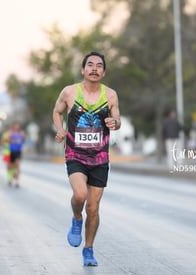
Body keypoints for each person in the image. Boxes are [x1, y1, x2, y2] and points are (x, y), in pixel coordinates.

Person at [53, 51, 121, 266]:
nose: (94, 68)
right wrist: (61, 129)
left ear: (104, 71)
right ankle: (76, 218)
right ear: (83, 69)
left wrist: (115, 123)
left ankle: (88, 249)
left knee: (93, 208)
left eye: (98, 65)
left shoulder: (110, 95)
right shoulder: (70, 92)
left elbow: (117, 118)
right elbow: (57, 112)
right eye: (89, 65)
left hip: (100, 158)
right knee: (80, 195)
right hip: (75, 155)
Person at [1, 122, 25, 187]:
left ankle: (17, 181)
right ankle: (10, 178)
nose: (17, 127)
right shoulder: (10, 133)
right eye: (16, 126)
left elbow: (23, 140)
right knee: (10, 167)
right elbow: (3, 140)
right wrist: (9, 140)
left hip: (18, 151)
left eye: (18, 126)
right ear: (13, 127)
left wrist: (23, 137)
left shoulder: (21, 133)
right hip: (10, 151)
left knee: (17, 165)